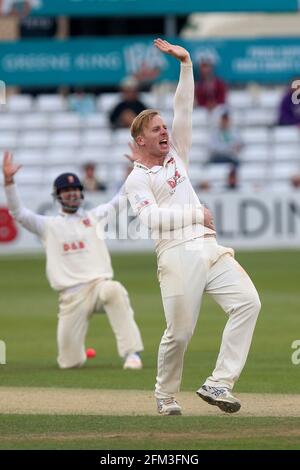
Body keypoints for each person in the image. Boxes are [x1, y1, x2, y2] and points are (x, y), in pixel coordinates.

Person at [125, 39, 261, 416]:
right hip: (175, 252)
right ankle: (166, 396)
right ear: (140, 140)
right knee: (180, 333)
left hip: (208, 246)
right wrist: (195, 213)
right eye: (156, 130)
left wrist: (185, 64)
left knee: (248, 303)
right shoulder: (136, 180)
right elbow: (151, 219)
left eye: (165, 127)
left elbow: (183, 106)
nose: (165, 132)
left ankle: (219, 383)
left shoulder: (177, 157)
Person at [2, 151, 143, 370]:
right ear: (57, 195)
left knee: (114, 290)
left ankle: (132, 354)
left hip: (98, 286)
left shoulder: (94, 217)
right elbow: (18, 212)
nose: (72, 194)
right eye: (66, 191)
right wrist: (9, 182)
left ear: (81, 193)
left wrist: (137, 168)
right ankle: (74, 356)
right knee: (70, 363)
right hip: (70, 297)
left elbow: (122, 199)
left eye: (75, 190)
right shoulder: (47, 225)